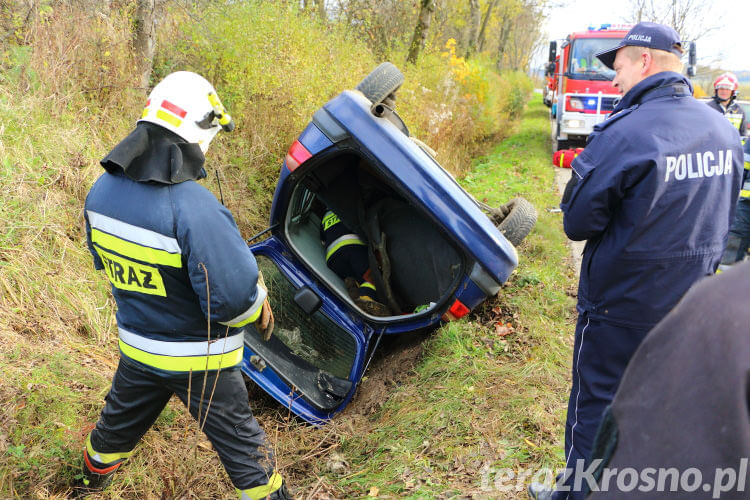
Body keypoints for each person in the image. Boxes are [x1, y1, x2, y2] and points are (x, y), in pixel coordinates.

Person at [528, 22, 744, 500]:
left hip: (619, 308)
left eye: (618, 65)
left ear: (644, 61)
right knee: (663, 405)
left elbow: (577, 223)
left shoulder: (624, 133)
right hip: (690, 306)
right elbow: (724, 214)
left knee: (597, 406)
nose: (613, 79)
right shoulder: (720, 129)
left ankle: (576, 494)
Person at [78, 71, 289, 499]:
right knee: (248, 457)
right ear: (198, 130)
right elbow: (233, 300)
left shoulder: (100, 192)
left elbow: (109, 262)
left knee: (111, 434)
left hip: (137, 351)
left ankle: (81, 488)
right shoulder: (195, 207)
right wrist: (260, 300)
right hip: (201, 363)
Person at [586, 261, 750, 499]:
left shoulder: (725, 312)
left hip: (625, 291)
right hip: (678, 283)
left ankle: (571, 487)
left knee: (594, 392)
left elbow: (581, 224)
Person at [320, 209, 390, 316]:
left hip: (332, 260)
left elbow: (323, 241)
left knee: (356, 273)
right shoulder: (348, 208)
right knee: (373, 277)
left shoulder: (326, 216)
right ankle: (366, 298)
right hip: (354, 249)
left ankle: (353, 282)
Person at [719, 134, 750, 270]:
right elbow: (742, 168)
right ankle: (723, 289)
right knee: (730, 254)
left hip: (743, 209)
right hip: (744, 208)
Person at [706, 72, 746, 136]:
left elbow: (742, 135)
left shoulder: (739, 110)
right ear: (716, 91)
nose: (724, 91)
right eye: (721, 88)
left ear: (733, 92)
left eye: (728, 89)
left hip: (732, 146)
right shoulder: (706, 108)